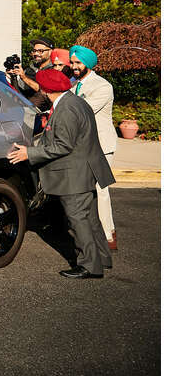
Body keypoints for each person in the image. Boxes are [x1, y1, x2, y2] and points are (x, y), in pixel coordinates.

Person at [7, 69, 114, 279]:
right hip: (84, 170)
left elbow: (62, 146)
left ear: (47, 90)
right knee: (90, 218)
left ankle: (90, 266)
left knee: (78, 220)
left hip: (74, 173)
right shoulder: (75, 101)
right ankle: (102, 258)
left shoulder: (66, 109)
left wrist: (29, 153)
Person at [69, 45, 118, 251]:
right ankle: (88, 233)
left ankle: (108, 237)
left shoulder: (102, 86)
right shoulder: (73, 84)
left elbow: (82, 110)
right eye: (72, 63)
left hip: (101, 145)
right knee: (83, 190)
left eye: (78, 63)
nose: (74, 67)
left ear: (88, 63)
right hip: (81, 145)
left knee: (100, 190)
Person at [9, 37, 55, 108]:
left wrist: (24, 77)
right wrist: (13, 77)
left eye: (40, 51)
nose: (36, 53)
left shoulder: (54, 70)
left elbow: (45, 91)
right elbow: (18, 94)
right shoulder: (29, 70)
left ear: (50, 51)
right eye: (34, 50)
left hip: (43, 114)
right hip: (25, 111)